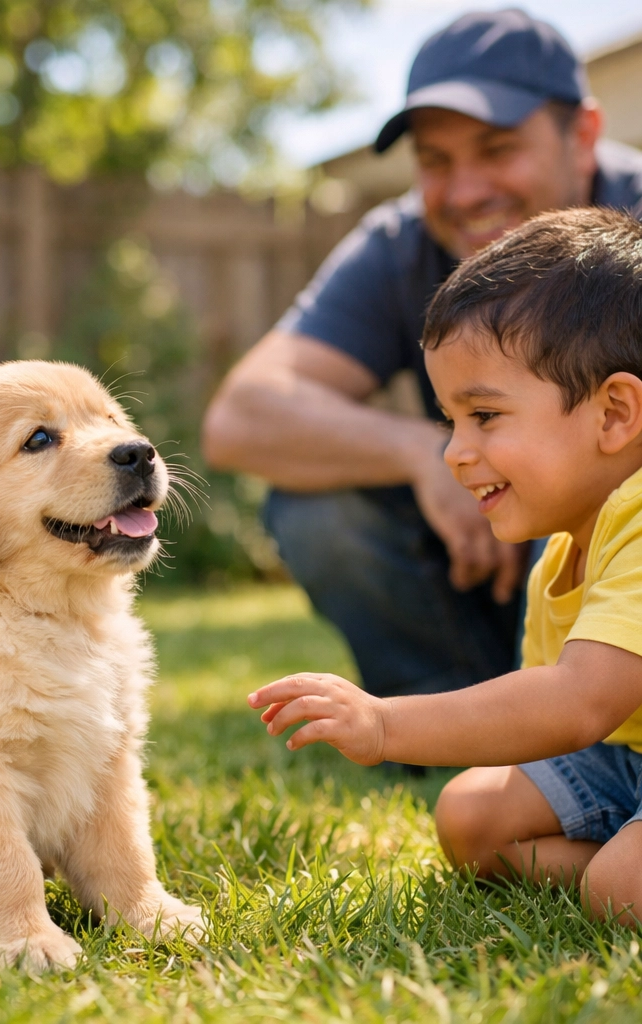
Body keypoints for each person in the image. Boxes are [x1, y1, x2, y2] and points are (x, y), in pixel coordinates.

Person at [202, 9, 642, 701]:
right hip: (481, 578)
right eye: (435, 161)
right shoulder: (398, 245)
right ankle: (449, 718)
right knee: (318, 512)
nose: (465, 191)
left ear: (582, 135)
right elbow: (240, 416)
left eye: (497, 149)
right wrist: (424, 452)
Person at [248, 207, 642, 923]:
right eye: (449, 420)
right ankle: (615, 860)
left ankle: (614, 869)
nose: (456, 451)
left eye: (485, 416)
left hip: (612, 740)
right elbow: (563, 725)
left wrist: (384, 725)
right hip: (627, 759)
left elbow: (581, 701)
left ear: (614, 414)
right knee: (469, 817)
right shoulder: (567, 539)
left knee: (620, 887)